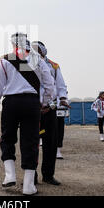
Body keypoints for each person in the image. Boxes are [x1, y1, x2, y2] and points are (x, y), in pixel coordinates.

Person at [0, 33, 56, 195]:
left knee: (7, 138)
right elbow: (50, 86)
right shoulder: (38, 60)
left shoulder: (5, 60)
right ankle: (28, 186)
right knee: (30, 142)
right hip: (32, 103)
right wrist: (44, 102)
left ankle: (9, 175)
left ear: (13, 44)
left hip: (11, 103)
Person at [32, 40, 68, 184]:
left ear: (43, 51)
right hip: (33, 108)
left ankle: (48, 175)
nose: (35, 53)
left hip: (50, 109)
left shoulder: (54, 66)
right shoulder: (26, 64)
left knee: (50, 143)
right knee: (31, 143)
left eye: (37, 50)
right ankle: (31, 176)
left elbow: (60, 88)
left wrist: (53, 105)